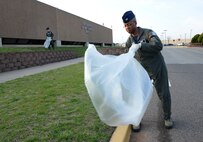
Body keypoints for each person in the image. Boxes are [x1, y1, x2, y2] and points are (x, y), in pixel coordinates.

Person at [122, 10, 173, 132]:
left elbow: (158, 45)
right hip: (142, 72)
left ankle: (167, 118)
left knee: (164, 93)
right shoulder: (129, 42)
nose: (127, 27)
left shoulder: (148, 33)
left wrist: (141, 45)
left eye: (129, 24)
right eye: (125, 25)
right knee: (138, 96)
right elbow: (128, 57)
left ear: (135, 22)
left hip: (157, 68)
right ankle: (137, 120)